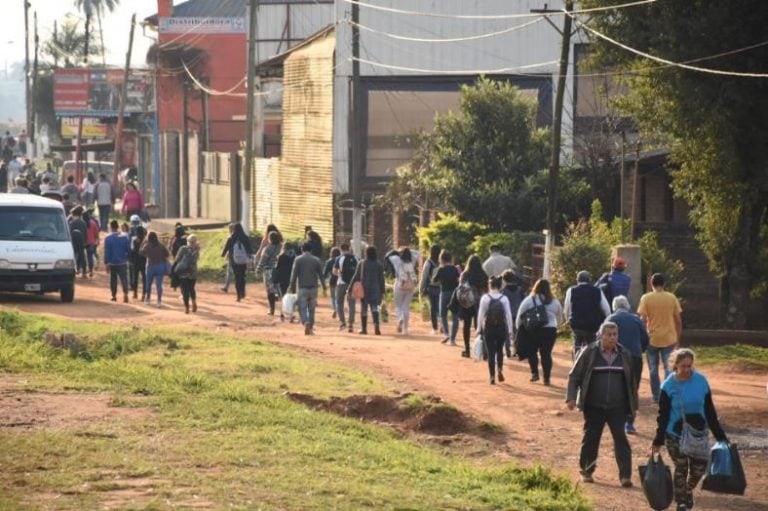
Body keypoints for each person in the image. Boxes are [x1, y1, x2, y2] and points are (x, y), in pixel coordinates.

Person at [652, 348, 728, 511]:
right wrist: (658, 439)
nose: (687, 370)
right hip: (675, 434)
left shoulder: (701, 381)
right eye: (683, 366)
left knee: (699, 469)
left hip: (698, 433)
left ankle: (686, 490)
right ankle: (682, 502)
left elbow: (709, 410)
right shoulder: (668, 386)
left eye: (689, 366)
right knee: (681, 467)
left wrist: (720, 436)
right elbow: (663, 415)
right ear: (675, 365)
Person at [566, 322, 637, 488]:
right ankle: (587, 471)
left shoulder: (625, 354)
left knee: (621, 438)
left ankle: (625, 476)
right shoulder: (589, 352)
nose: (612, 337)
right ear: (601, 335)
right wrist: (570, 397)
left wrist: (634, 406)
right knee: (591, 437)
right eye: (609, 334)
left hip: (617, 406)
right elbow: (574, 376)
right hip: (594, 405)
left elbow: (631, 382)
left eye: (615, 334)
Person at [607, 295, 649, 435]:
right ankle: (629, 422)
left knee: (616, 387)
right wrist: (640, 350)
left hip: (616, 358)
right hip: (635, 357)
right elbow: (645, 338)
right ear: (627, 306)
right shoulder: (636, 319)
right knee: (632, 388)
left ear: (614, 307)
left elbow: (600, 337)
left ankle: (616, 418)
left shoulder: (611, 319)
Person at [638, 273, 683, 403]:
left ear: (651, 284)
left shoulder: (646, 298)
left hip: (652, 337)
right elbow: (678, 321)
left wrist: (643, 337)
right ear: (664, 284)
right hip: (669, 337)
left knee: (653, 368)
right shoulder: (671, 297)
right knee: (669, 368)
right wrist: (678, 338)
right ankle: (667, 394)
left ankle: (656, 396)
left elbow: (643, 320)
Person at [515, 279, 563, 384]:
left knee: (532, 352)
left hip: (533, 330)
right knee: (546, 354)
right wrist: (557, 327)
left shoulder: (530, 299)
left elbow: (520, 314)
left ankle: (535, 373)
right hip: (550, 330)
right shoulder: (555, 301)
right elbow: (560, 317)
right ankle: (546, 378)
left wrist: (518, 327)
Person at [476, 276, 514, 384]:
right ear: (500, 286)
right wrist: (510, 330)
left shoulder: (485, 298)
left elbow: (480, 314)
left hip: (489, 328)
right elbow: (509, 315)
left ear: (490, 285)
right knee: (499, 351)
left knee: (491, 352)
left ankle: (492, 376)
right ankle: (500, 370)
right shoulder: (504, 299)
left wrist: (479, 328)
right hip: (501, 328)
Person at [564, 270, 611, 356]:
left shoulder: (571, 290)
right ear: (589, 280)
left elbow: (567, 307)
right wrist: (606, 321)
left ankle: (577, 360)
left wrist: (568, 319)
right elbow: (606, 309)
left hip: (577, 324)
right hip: (593, 325)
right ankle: (592, 363)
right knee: (593, 346)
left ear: (577, 280)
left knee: (577, 344)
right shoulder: (597, 291)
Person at [289, 242, 326, 335]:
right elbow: (321, 275)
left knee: (302, 308)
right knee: (312, 309)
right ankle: (311, 326)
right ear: (311, 250)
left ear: (302, 249)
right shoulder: (316, 260)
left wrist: (291, 286)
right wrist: (324, 286)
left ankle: (305, 322)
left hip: (302, 287)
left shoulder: (298, 259)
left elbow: (294, 274)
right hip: (314, 288)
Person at [456, 255, 488, 358]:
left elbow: (460, 288)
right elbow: (487, 289)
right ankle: (483, 351)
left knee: (466, 326)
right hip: (480, 303)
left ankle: (467, 350)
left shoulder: (465, 274)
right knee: (480, 327)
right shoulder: (483, 275)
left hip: (467, 303)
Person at [350, 245, 386, 335]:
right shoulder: (378, 264)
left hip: (364, 288)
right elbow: (381, 278)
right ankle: (376, 324)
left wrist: (350, 288)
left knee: (364, 308)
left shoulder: (362, 263)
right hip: (376, 288)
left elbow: (356, 276)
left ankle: (364, 329)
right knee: (374, 307)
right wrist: (382, 291)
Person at [388, 247, 419, 336]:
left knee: (398, 305)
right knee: (406, 306)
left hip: (400, 284)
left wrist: (398, 250)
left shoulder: (397, 260)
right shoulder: (412, 260)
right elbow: (417, 252)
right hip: (410, 285)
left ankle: (400, 317)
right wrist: (409, 250)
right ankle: (405, 329)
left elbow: (389, 255)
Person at [433, 250, 460, 345]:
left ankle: (446, 333)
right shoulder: (455, 269)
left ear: (442, 259)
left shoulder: (441, 269)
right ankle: (453, 339)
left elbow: (434, 280)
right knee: (455, 316)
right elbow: (459, 279)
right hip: (454, 294)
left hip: (444, 293)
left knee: (443, 315)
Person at [221, 223, 253, 302]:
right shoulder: (245, 238)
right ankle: (242, 292)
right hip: (243, 260)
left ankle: (238, 296)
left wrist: (223, 254)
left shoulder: (231, 238)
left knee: (237, 277)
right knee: (242, 276)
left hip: (234, 261)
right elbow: (249, 249)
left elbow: (226, 248)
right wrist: (250, 257)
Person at [140, 231, 171, 307]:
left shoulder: (147, 245)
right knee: (159, 285)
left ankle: (148, 299)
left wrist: (144, 242)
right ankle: (159, 301)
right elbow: (167, 254)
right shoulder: (161, 245)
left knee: (148, 284)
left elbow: (141, 252)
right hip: (160, 266)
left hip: (150, 266)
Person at [333, 243, 358, 332]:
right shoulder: (355, 258)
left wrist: (339, 274)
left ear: (341, 249)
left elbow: (334, 271)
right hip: (352, 283)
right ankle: (351, 324)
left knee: (339, 303)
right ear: (349, 248)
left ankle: (342, 322)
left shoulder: (339, 258)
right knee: (352, 304)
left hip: (341, 283)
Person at [103, 220, 130, 303]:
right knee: (124, 279)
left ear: (111, 227)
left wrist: (106, 263)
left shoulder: (108, 238)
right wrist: (127, 258)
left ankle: (114, 296)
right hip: (122, 262)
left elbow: (107, 252)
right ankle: (125, 293)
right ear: (118, 227)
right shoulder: (124, 237)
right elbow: (128, 249)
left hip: (112, 262)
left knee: (113, 280)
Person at [256, 230, 282, 316]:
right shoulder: (281, 247)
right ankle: (284, 309)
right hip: (279, 271)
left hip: (268, 272)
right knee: (280, 289)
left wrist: (258, 270)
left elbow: (263, 260)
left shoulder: (267, 248)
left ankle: (272, 309)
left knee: (270, 291)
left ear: (270, 239)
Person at [501, 270, 526, 358]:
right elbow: (524, 301)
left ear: (504, 279)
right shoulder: (520, 290)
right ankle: (515, 349)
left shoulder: (504, 291)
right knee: (516, 332)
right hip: (518, 313)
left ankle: (507, 349)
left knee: (507, 332)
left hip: (507, 315)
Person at [173, 234, 201, 314]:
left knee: (185, 290)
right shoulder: (197, 249)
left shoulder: (183, 248)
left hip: (183, 272)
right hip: (193, 271)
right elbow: (196, 260)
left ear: (187, 241)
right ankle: (194, 301)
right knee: (192, 288)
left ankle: (187, 307)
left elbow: (177, 259)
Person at [420, 244, 442, 336]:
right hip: (441, 288)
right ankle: (442, 325)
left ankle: (435, 328)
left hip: (431, 287)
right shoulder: (441, 262)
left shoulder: (428, 262)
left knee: (433, 308)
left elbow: (424, 276)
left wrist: (421, 289)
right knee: (440, 308)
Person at [273, 243, 296, 321]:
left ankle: (282, 314)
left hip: (282, 278)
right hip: (292, 279)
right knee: (291, 297)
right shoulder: (294, 257)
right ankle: (291, 315)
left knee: (283, 296)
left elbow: (277, 268)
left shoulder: (281, 256)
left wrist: (275, 280)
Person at [128, 216, 147, 300]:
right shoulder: (146, 240)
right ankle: (144, 294)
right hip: (144, 261)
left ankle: (135, 293)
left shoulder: (134, 239)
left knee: (135, 277)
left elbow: (132, 249)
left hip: (135, 260)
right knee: (144, 278)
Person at [67, 206, 88, 278]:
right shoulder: (83, 222)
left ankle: (73, 271)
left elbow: (69, 233)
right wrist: (85, 241)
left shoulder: (72, 223)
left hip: (73, 242)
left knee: (72, 256)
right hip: (81, 241)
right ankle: (84, 272)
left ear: (73, 214)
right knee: (82, 256)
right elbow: (85, 233)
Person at [324, 246, 341, 319]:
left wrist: (323, 280)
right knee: (339, 297)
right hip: (340, 280)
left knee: (333, 297)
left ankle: (334, 309)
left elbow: (325, 273)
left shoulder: (329, 261)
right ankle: (338, 309)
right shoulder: (341, 260)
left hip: (332, 280)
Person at [83, 209, 100, 277]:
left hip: (83, 242)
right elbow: (96, 233)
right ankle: (91, 271)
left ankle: (84, 271)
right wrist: (97, 240)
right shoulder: (93, 223)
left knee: (83, 257)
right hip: (91, 242)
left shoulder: (82, 223)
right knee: (90, 257)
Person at [219, 224, 236, 293]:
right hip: (240, 258)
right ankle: (240, 287)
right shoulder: (240, 237)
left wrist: (222, 255)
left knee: (229, 273)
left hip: (232, 257)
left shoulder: (230, 238)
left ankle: (226, 287)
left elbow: (226, 247)